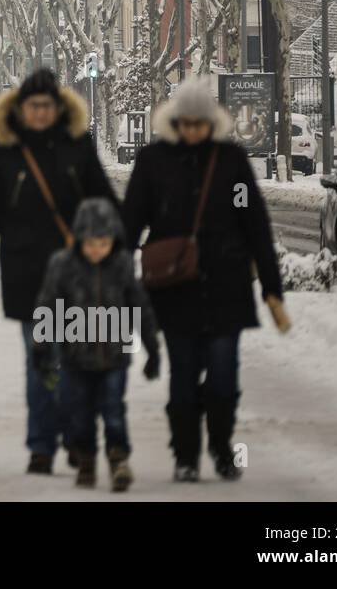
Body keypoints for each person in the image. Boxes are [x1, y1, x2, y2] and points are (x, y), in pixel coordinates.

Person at [123, 78, 288, 484]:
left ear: (210, 123)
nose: (193, 131)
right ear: (174, 122)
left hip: (226, 287)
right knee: (182, 376)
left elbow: (255, 226)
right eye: (186, 124)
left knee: (223, 376)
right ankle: (184, 455)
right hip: (175, 290)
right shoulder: (153, 161)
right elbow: (130, 222)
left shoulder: (230, 162)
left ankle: (219, 444)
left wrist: (271, 290)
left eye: (200, 124)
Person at [0, 67, 116, 476]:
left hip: (76, 276)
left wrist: (118, 249)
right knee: (40, 366)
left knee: (71, 364)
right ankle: (41, 445)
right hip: (26, 277)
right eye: (33, 105)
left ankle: (73, 436)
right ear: (21, 108)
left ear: (57, 107)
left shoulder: (78, 146)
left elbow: (103, 202)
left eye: (46, 105)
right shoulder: (3, 152)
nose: (39, 112)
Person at [33, 198, 159, 492]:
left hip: (115, 356)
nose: (96, 250)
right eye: (90, 243)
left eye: (102, 243)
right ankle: (87, 459)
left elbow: (139, 306)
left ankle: (118, 459)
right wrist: (41, 345)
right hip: (76, 357)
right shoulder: (63, 265)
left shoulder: (122, 265)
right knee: (81, 412)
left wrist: (153, 349)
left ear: (112, 240)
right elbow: (48, 304)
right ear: (79, 239)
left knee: (114, 409)